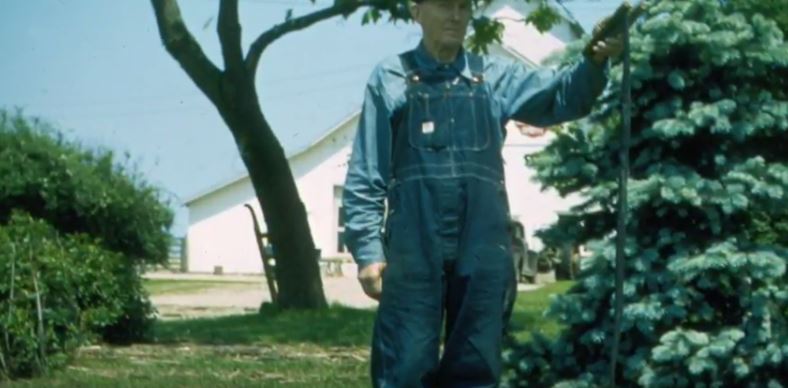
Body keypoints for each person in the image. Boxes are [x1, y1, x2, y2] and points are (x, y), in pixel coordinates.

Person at [342, 0, 622, 386]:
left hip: (483, 246)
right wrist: (368, 252)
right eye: (443, 6)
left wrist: (594, 60)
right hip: (413, 248)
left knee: (475, 368)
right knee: (403, 368)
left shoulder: (494, 76)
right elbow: (366, 173)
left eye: (463, 6)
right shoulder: (390, 77)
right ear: (416, 11)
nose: (455, 16)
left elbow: (563, 96)